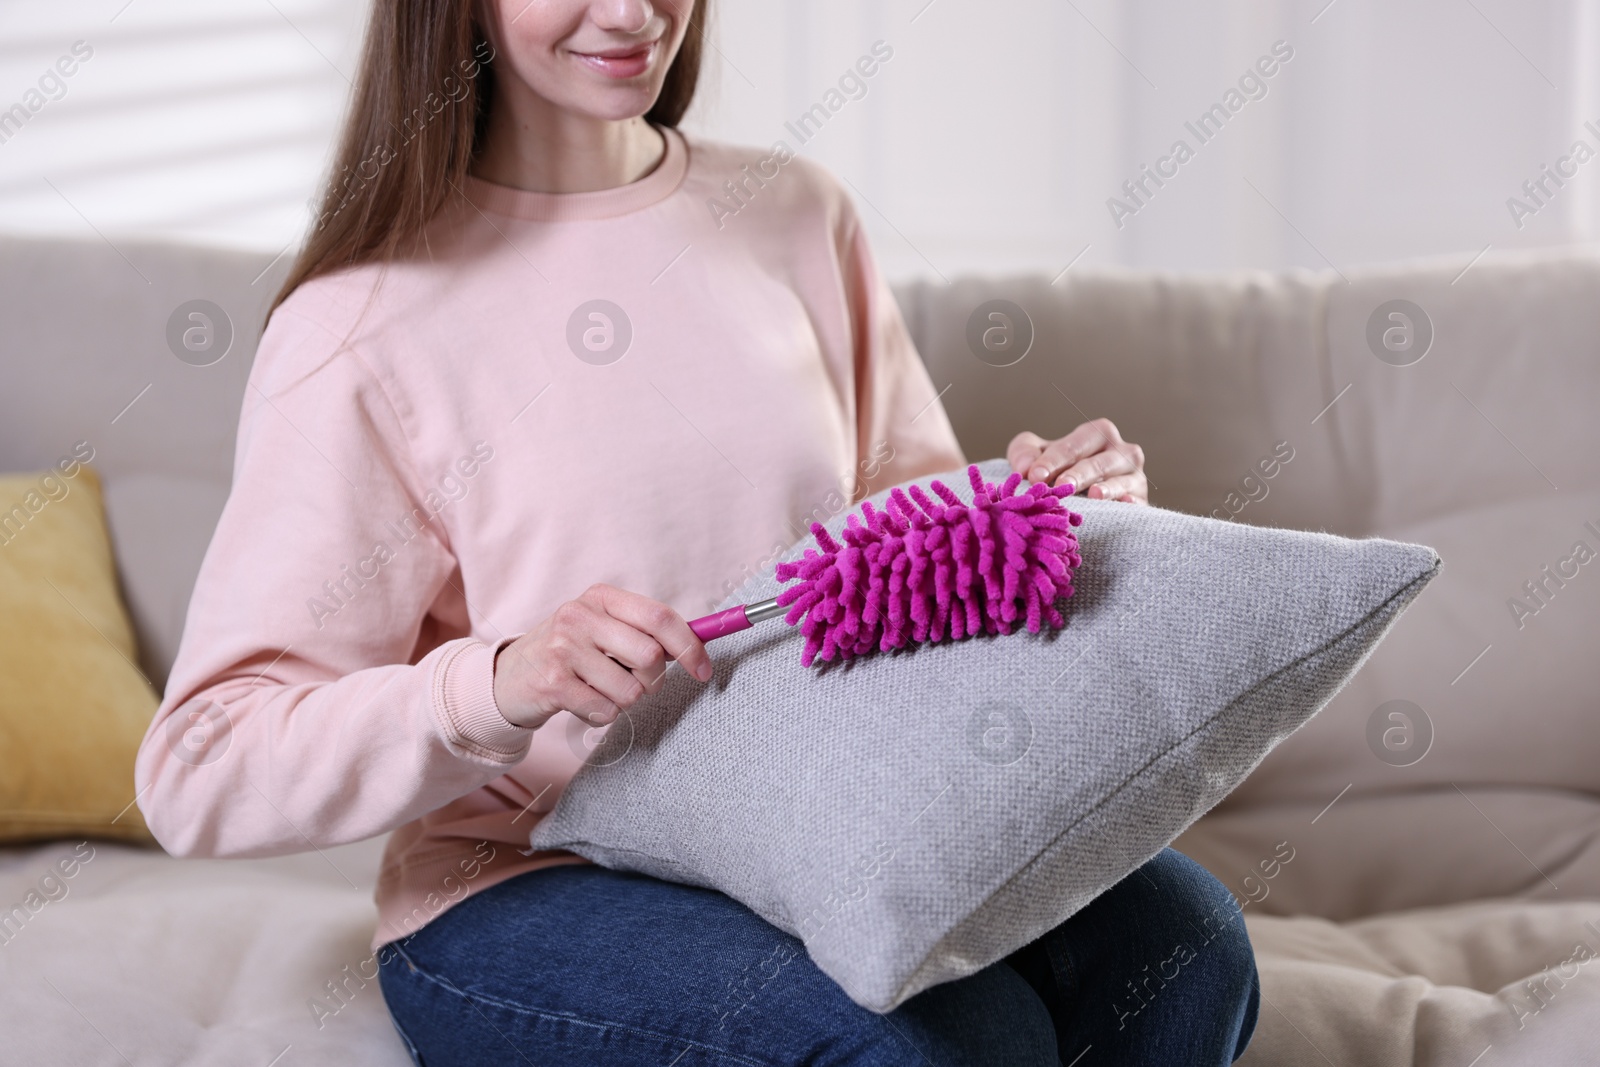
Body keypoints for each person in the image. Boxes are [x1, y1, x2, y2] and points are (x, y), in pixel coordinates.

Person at [134, 1, 1256, 1062]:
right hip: (528, 881)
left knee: (1182, 943)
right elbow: (203, 766)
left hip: (820, 830)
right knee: (945, 1044)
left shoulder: (794, 214)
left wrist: (1053, 514)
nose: (632, 15)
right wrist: (503, 681)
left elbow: (914, 574)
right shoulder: (357, 326)